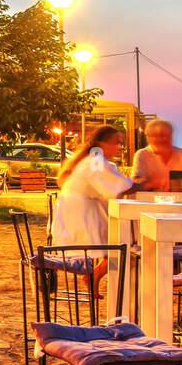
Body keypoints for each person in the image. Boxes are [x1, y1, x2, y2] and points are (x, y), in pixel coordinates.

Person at [52, 125, 139, 293]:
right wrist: (146, 184)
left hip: (81, 210)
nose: (119, 147)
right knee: (124, 246)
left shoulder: (95, 157)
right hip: (81, 215)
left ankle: (98, 275)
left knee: (123, 246)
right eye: (116, 142)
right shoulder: (96, 158)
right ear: (101, 142)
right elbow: (115, 186)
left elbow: (112, 183)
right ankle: (101, 278)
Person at [132, 118, 182, 192]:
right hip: (150, 201)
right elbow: (135, 185)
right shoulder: (142, 155)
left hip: (181, 201)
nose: (161, 140)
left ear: (171, 136)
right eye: (156, 136)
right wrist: (154, 183)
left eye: (164, 136)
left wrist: (177, 185)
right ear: (148, 138)